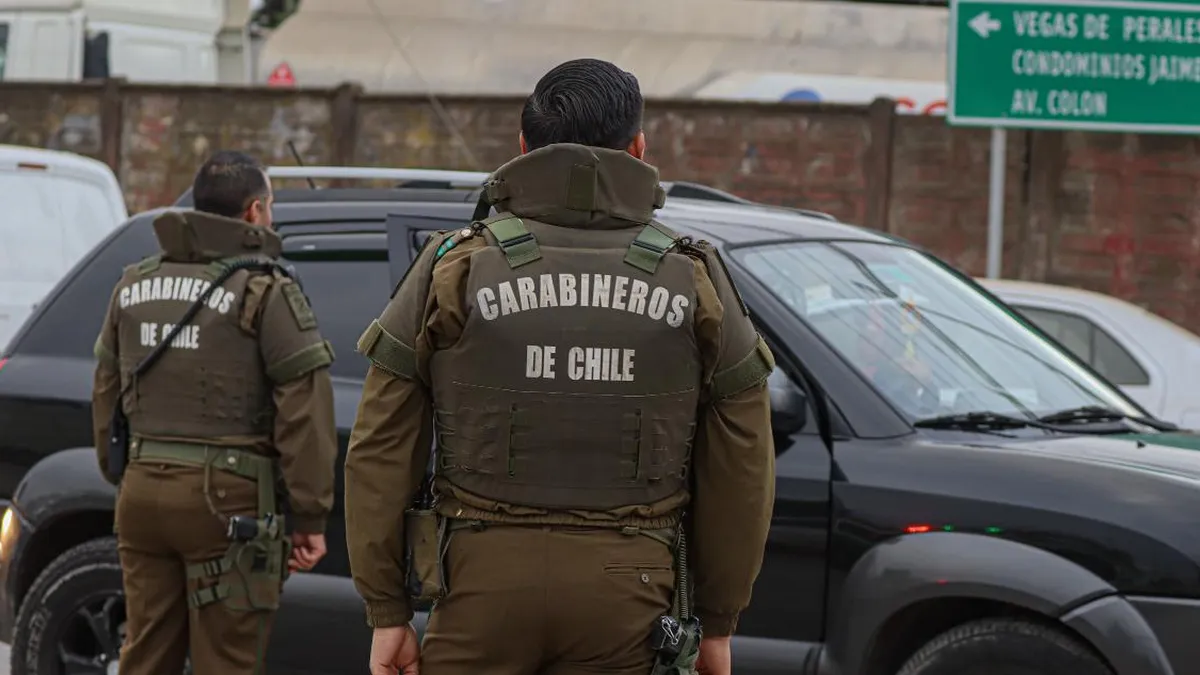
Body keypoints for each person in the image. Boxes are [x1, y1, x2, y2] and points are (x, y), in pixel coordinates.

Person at [344, 58, 776, 675]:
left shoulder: (452, 265)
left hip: (478, 591)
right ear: (639, 148)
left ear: (522, 148)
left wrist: (387, 612)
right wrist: (718, 621)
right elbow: (743, 464)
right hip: (631, 599)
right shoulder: (694, 276)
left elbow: (379, 447)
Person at [91, 150, 338, 675]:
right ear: (253, 212)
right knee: (226, 660)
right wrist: (309, 515)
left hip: (140, 493)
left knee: (144, 653)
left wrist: (120, 471)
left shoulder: (133, 282)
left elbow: (105, 389)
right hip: (227, 505)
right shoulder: (265, 287)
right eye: (269, 206)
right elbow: (304, 408)